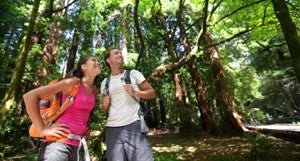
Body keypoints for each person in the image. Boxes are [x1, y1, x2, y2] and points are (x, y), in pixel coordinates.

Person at [23, 55, 101, 161]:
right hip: (58, 143)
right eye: (94, 60)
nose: (98, 62)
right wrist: (42, 129)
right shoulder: (72, 83)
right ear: (83, 66)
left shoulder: (94, 90)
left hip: (79, 145)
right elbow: (30, 96)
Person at [100, 47, 156, 161]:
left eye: (120, 53)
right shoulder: (105, 82)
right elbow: (103, 108)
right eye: (116, 53)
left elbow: (152, 93)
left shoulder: (133, 74)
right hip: (112, 129)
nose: (120, 55)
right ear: (108, 60)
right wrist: (104, 105)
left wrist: (136, 92)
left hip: (133, 125)